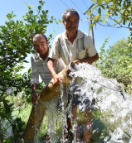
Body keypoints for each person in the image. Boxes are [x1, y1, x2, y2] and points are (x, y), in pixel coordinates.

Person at [47, 8, 99, 143]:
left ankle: (87, 140)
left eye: (75, 21)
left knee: (87, 113)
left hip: (86, 82)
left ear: (78, 22)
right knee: (73, 114)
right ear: (63, 22)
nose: (72, 24)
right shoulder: (59, 39)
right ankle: (77, 139)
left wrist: (80, 62)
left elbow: (95, 57)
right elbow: (50, 60)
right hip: (69, 83)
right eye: (69, 21)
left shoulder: (85, 37)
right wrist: (54, 75)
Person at [31, 33, 65, 142]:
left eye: (42, 43)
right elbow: (35, 77)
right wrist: (34, 92)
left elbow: (63, 73)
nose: (39, 47)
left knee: (66, 112)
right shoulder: (34, 58)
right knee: (50, 112)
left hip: (62, 86)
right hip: (49, 88)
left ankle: (68, 135)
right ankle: (49, 137)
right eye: (36, 45)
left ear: (47, 43)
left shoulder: (56, 54)